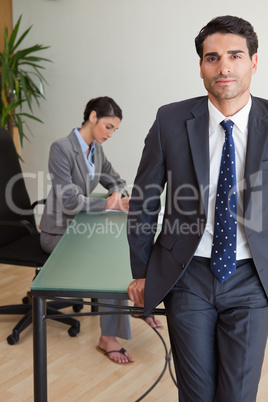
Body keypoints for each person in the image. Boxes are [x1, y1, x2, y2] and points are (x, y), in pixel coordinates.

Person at [127, 15, 268, 401]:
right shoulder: (170, 119)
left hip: (253, 281)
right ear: (201, 66)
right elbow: (144, 200)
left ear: (254, 62)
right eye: (212, 57)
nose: (224, 67)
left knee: (238, 395)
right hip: (188, 276)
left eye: (235, 56)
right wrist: (141, 271)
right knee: (195, 394)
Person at [40, 96, 161, 364]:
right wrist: (110, 204)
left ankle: (137, 300)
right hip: (58, 232)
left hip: (81, 226)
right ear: (93, 117)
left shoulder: (95, 149)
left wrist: (117, 195)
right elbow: (69, 200)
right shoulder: (61, 148)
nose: (110, 134)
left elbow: (115, 179)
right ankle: (109, 337)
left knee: (124, 246)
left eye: (115, 130)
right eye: (108, 126)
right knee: (109, 262)